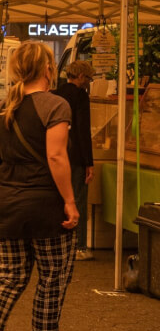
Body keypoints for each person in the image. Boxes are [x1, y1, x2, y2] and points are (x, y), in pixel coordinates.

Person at [0, 42, 81, 331]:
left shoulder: (6, 105)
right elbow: (56, 157)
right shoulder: (55, 105)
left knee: (10, 277)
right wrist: (71, 203)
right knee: (52, 278)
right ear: (48, 69)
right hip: (45, 205)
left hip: (8, 202)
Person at [55, 60, 95, 260]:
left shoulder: (56, 93)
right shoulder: (81, 96)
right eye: (88, 78)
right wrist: (89, 161)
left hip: (58, 152)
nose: (88, 82)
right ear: (81, 77)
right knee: (78, 197)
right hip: (77, 155)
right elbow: (83, 130)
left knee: (60, 197)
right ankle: (79, 246)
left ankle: (59, 243)